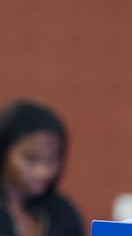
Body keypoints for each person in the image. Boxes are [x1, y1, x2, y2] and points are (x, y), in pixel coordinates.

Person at [0, 98, 85, 236]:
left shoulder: (64, 214)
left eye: (52, 159)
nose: (43, 172)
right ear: (4, 151)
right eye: (31, 159)